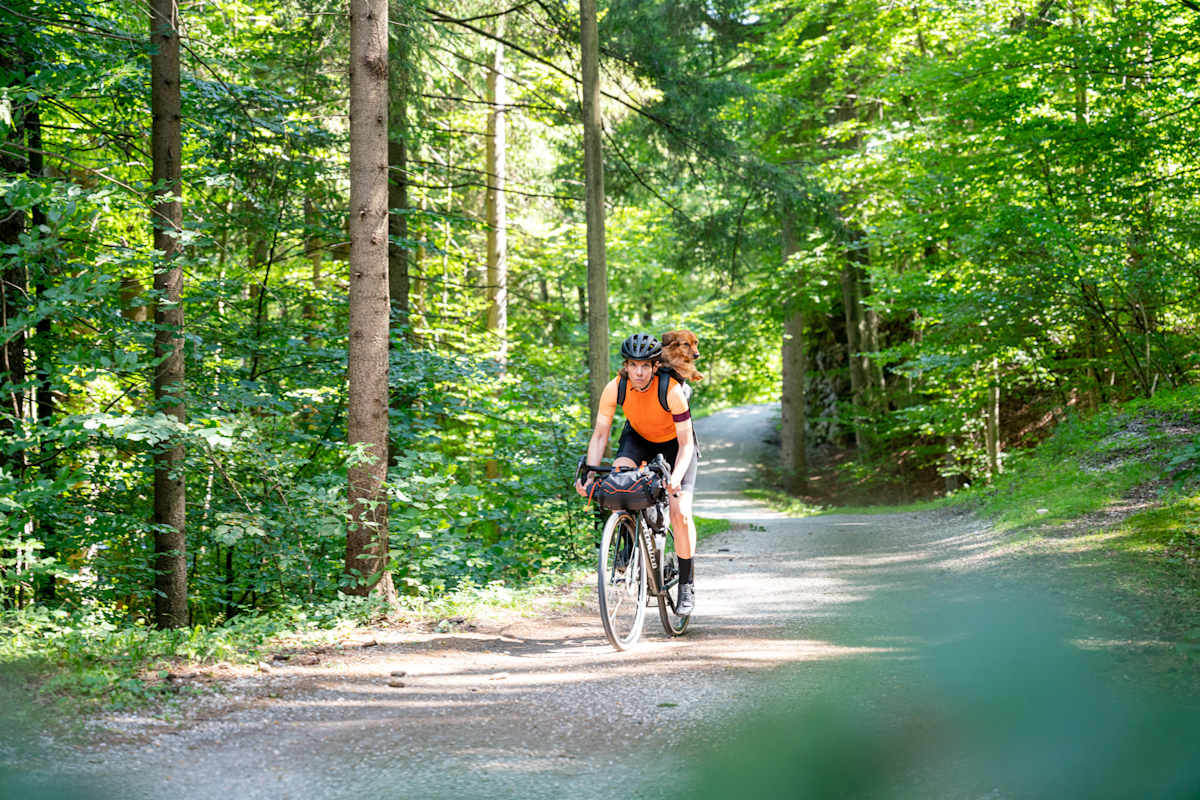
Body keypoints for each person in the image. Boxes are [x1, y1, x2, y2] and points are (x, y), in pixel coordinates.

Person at [575, 332, 699, 616]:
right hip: (638, 438)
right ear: (626, 366)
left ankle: (686, 584)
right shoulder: (616, 387)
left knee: (680, 512)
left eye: (645, 366)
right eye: (633, 365)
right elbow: (600, 434)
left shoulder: (671, 390)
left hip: (676, 445)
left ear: (656, 366)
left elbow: (686, 443)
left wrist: (675, 477)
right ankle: (628, 540)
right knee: (619, 482)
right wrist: (590, 475)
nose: (639, 372)